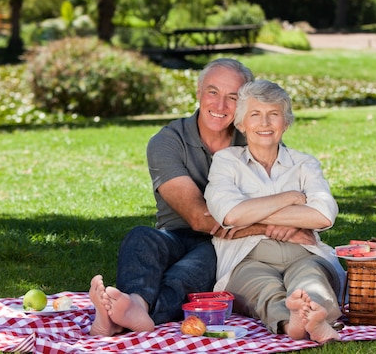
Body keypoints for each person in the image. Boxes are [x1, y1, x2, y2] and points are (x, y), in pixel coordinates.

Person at [89, 59, 316, 336]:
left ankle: (129, 314)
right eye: (212, 92)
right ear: (198, 91)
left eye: (232, 97)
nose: (220, 106)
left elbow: (292, 195)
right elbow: (199, 218)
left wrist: (288, 216)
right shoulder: (168, 141)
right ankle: (134, 304)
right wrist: (275, 228)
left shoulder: (256, 138)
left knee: (196, 267)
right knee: (140, 237)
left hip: (225, 244)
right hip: (177, 233)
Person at [204, 79, 346, 343]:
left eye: (273, 115)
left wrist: (251, 214)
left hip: (304, 251)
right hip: (247, 257)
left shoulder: (304, 163)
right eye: (255, 115)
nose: (265, 123)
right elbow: (230, 215)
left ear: (286, 122)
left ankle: (315, 319)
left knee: (311, 278)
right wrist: (292, 198)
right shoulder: (226, 161)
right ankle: (291, 324)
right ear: (241, 124)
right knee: (263, 288)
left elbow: (323, 215)